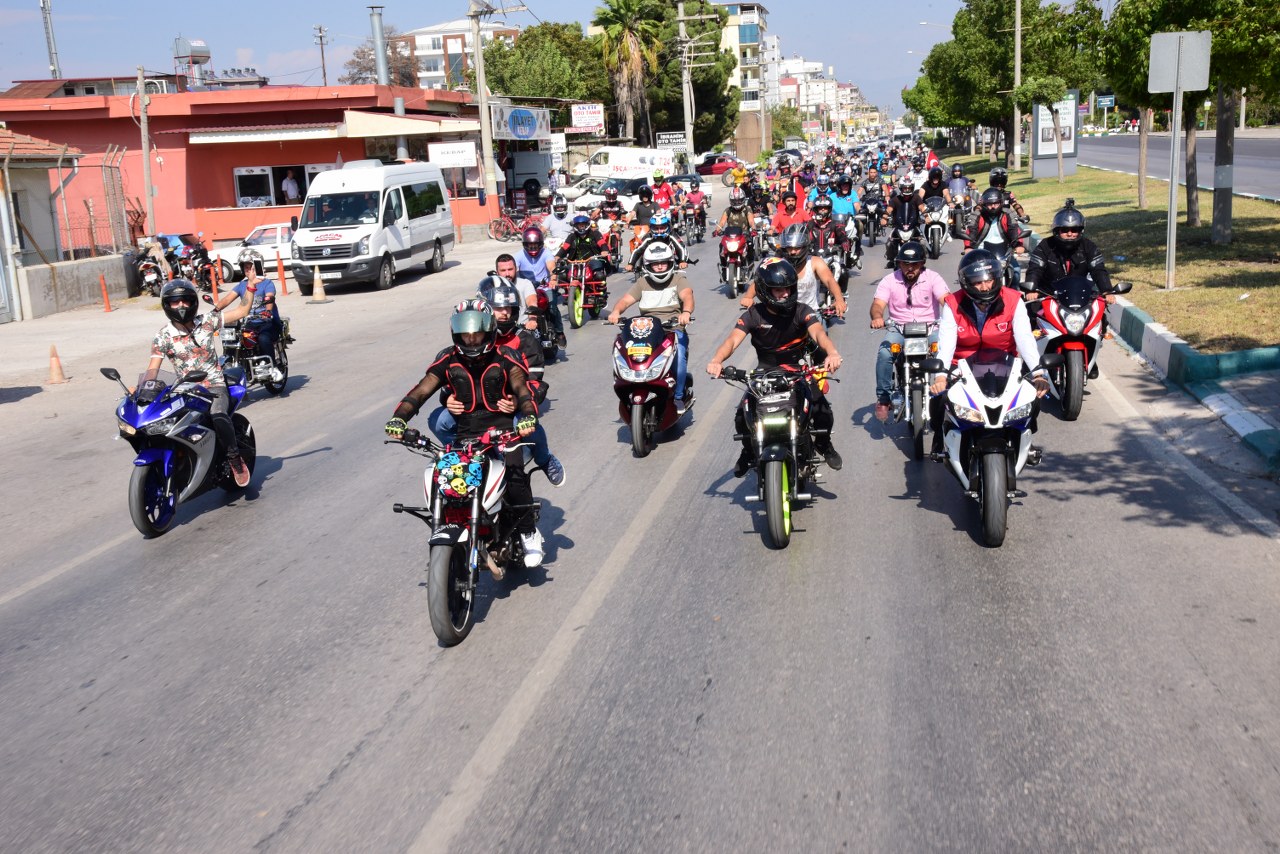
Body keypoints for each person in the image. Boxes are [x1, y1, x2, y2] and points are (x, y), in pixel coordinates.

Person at [385, 299, 546, 568]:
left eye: (477, 333)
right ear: (455, 332)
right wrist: (398, 419)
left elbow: (522, 390)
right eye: (466, 334)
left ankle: (529, 532)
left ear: (489, 330)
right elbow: (421, 391)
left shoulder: (506, 356)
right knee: (446, 480)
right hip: (465, 435)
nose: (471, 340)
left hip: (503, 430)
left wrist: (528, 415)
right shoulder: (448, 358)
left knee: (515, 475)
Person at [706, 258, 844, 475]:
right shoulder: (753, 315)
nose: (785, 294)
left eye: (788, 289)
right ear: (764, 290)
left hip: (797, 371)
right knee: (743, 416)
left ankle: (824, 444)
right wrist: (717, 360)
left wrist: (832, 352)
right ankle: (748, 451)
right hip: (763, 373)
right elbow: (732, 340)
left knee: (822, 409)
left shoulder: (802, 310)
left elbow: (818, 333)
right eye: (778, 290)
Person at [429, 277, 566, 487]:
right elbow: (451, 378)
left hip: (507, 409)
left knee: (527, 424)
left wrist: (517, 403)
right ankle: (460, 456)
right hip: (473, 409)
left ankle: (544, 459)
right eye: (498, 308)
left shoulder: (526, 340)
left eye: (509, 308)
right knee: (438, 421)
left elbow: (535, 384)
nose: (505, 313)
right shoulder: (468, 337)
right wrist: (448, 398)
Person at [928, 249, 1049, 459]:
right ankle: (939, 437)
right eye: (977, 282)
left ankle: (1026, 438)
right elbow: (946, 342)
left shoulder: (1014, 299)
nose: (985, 287)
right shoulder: (952, 304)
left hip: (1005, 364)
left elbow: (1025, 339)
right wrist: (940, 375)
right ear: (966, 283)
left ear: (997, 278)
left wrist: (1039, 373)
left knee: (1033, 395)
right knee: (939, 398)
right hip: (962, 365)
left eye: (989, 280)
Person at [144, 279, 257, 487]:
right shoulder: (163, 336)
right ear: (167, 305)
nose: (181, 306)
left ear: (192, 302)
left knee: (218, 415)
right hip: (185, 390)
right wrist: (144, 389)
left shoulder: (207, 321)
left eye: (185, 301)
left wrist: (250, 286)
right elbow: (153, 368)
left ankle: (234, 458)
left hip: (214, 386)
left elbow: (242, 311)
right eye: (175, 302)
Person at [1024, 201, 1117, 377]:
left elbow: (1099, 270)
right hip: (1048, 296)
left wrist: (1107, 291)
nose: (1069, 233)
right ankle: (1030, 362)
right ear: (1056, 230)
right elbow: (1034, 269)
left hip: (1079, 296)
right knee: (1030, 323)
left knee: (1099, 319)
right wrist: (1032, 289)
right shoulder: (1045, 246)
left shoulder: (1089, 247)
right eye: (1065, 230)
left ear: (1080, 230)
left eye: (1074, 230)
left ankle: (1090, 356)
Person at [607, 241, 696, 414]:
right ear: (648, 265)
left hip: (672, 328)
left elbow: (687, 297)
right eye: (656, 264)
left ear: (671, 263)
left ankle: (678, 397)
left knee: (679, 360)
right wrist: (616, 311)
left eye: (664, 263)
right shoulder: (642, 282)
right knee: (622, 350)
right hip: (645, 330)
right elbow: (626, 300)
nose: (660, 267)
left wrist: (685, 312)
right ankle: (629, 387)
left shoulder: (679, 279)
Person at [868, 240, 948, 421]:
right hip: (899, 328)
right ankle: (883, 398)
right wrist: (877, 317)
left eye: (914, 264)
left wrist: (954, 314)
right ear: (899, 264)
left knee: (945, 351)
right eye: (906, 264)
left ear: (922, 264)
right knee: (885, 354)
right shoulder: (889, 280)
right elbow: (878, 304)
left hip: (930, 327)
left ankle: (949, 389)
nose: (910, 268)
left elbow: (946, 299)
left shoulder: (933, 278)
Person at [741, 223, 847, 321]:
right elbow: (760, 281)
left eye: (797, 248)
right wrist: (748, 297)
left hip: (810, 315)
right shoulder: (778, 263)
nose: (793, 252)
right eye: (789, 248)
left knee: (821, 338)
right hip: (783, 315)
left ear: (805, 246)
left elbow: (829, 281)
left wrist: (839, 299)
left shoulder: (815, 262)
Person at [213, 248, 285, 383]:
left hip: (268, 322)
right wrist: (215, 311)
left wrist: (268, 311)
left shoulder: (266, 283)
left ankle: (273, 368)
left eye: (250, 267)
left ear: (258, 267)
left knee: (263, 338)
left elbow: (270, 298)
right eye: (245, 267)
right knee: (233, 339)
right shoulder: (242, 285)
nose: (248, 270)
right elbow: (227, 299)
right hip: (250, 323)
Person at [515, 228, 565, 348]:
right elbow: (513, 268)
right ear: (524, 244)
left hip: (544, 286)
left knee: (552, 306)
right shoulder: (519, 255)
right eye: (529, 245)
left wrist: (553, 279)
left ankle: (560, 333)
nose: (532, 247)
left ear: (541, 244)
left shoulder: (546, 253)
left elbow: (551, 266)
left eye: (535, 245)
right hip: (526, 288)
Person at [963, 189, 1027, 276]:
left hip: (1005, 254)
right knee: (972, 276)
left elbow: (1014, 230)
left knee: (1016, 273)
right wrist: (968, 247)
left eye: (996, 203)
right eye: (990, 204)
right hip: (981, 254)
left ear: (1001, 203)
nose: (993, 206)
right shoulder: (977, 215)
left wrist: (1018, 245)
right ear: (984, 204)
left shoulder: (1008, 214)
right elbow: (971, 231)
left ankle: (1014, 289)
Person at [551, 214, 610, 292]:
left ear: (587, 225)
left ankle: (601, 290)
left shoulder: (595, 234)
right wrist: (558, 256)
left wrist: (604, 250)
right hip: (574, 262)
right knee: (563, 275)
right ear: (575, 226)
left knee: (599, 275)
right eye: (579, 225)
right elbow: (564, 248)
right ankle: (568, 292)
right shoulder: (572, 236)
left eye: (583, 225)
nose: (581, 227)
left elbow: (602, 243)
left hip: (593, 260)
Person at [806, 195, 853, 288]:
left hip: (831, 256)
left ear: (829, 209)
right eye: (820, 208)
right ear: (816, 210)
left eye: (825, 208)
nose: (823, 210)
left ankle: (842, 294)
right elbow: (803, 237)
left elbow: (842, 234)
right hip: (813, 257)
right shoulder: (810, 224)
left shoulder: (835, 223)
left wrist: (844, 242)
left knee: (843, 271)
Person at [882, 176, 923, 266]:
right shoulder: (895, 199)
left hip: (913, 226)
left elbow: (921, 207)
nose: (907, 190)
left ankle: (921, 260)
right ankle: (891, 260)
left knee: (922, 242)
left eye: (909, 188)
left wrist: (927, 216)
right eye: (905, 188)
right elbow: (889, 209)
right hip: (898, 226)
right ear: (901, 188)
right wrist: (884, 218)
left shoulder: (916, 198)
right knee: (889, 242)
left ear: (913, 188)